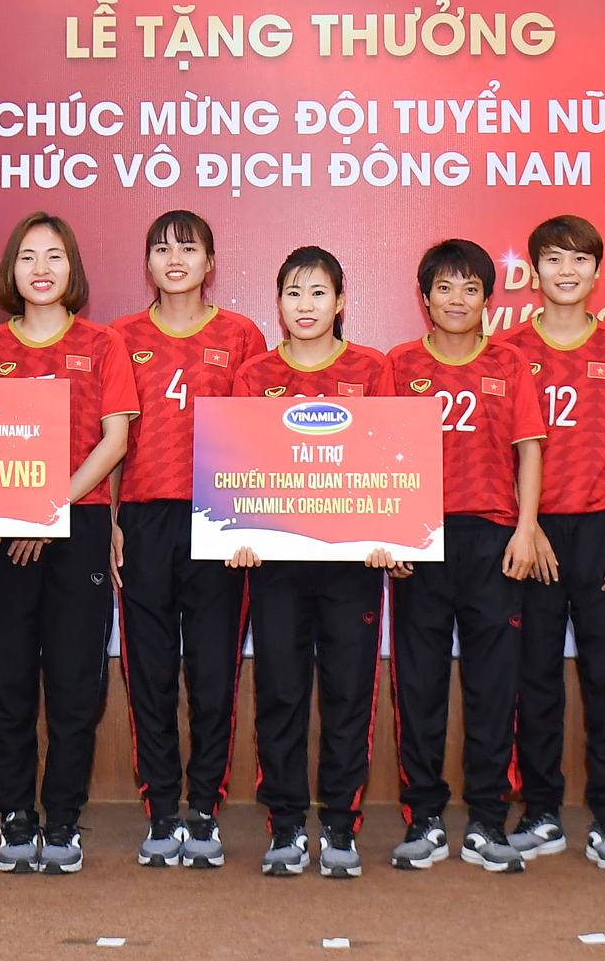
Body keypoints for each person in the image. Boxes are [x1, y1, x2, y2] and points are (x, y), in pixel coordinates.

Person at [0, 212, 139, 876]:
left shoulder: (103, 344)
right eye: (28, 257)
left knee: (74, 685)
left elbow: (115, 442)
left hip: (79, 526)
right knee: (6, 681)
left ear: (73, 269)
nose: (41, 269)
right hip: (5, 535)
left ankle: (63, 817)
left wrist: (48, 509)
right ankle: (16, 814)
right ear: (10, 270)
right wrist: (4, 513)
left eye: (55, 256)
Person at [230, 246, 402, 879]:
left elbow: (393, 461)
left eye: (318, 293)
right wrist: (237, 531)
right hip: (276, 563)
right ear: (278, 303)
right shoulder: (254, 375)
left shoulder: (372, 369)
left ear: (341, 302)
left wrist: (390, 532)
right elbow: (237, 466)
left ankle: (339, 825)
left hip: (351, 564)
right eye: (293, 293)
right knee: (280, 691)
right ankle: (284, 825)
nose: (305, 305)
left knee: (348, 692)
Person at [110, 211, 267, 869]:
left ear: (210, 262)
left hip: (219, 523)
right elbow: (111, 437)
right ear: (147, 262)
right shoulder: (121, 336)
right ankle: (160, 807)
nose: (174, 258)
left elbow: (260, 438)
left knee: (212, 672)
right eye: (161, 248)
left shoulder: (242, 335)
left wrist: (250, 522)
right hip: (143, 520)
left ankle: (204, 806)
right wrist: (111, 520)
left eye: (188, 247)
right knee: (148, 673)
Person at [498, 215, 605, 872]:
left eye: (580, 259)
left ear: (598, 270)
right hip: (532, 532)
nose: (567, 271)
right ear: (533, 270)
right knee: (533, 679)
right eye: (554, 259)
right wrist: (525, 524)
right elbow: (502, 450)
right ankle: (540, 811)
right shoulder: (506, 350)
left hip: (604, 531)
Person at [385, 240, 544, 873]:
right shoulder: (400, 364)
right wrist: (394, 533)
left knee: (493, 685)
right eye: (444, 288)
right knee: (419, 685)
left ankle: (486, 820)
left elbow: (529, 451)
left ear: (487, 299)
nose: (457, 299)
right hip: (420, 539)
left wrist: (526, 528)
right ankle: (423, 818)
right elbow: (380, 451)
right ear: (424, 298)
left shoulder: (511, 362)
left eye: (470, 288)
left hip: (493, 539)